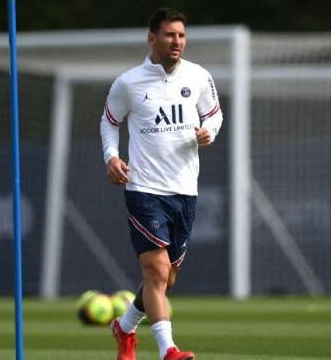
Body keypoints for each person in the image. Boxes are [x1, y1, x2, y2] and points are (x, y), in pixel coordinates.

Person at [100, 8, 223, 360]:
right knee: (155, 270)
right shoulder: (129, 82)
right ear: (152, 38)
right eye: (170, 35)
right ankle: (168, 350)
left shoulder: (198, 76)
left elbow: (214, 114)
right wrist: (111, 157)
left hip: (185, 190)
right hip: (144, 189)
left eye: (182, 36)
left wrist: (208, 131)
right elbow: (109, 122)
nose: (177, 42)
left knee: (166, 279)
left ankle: (124, 327)